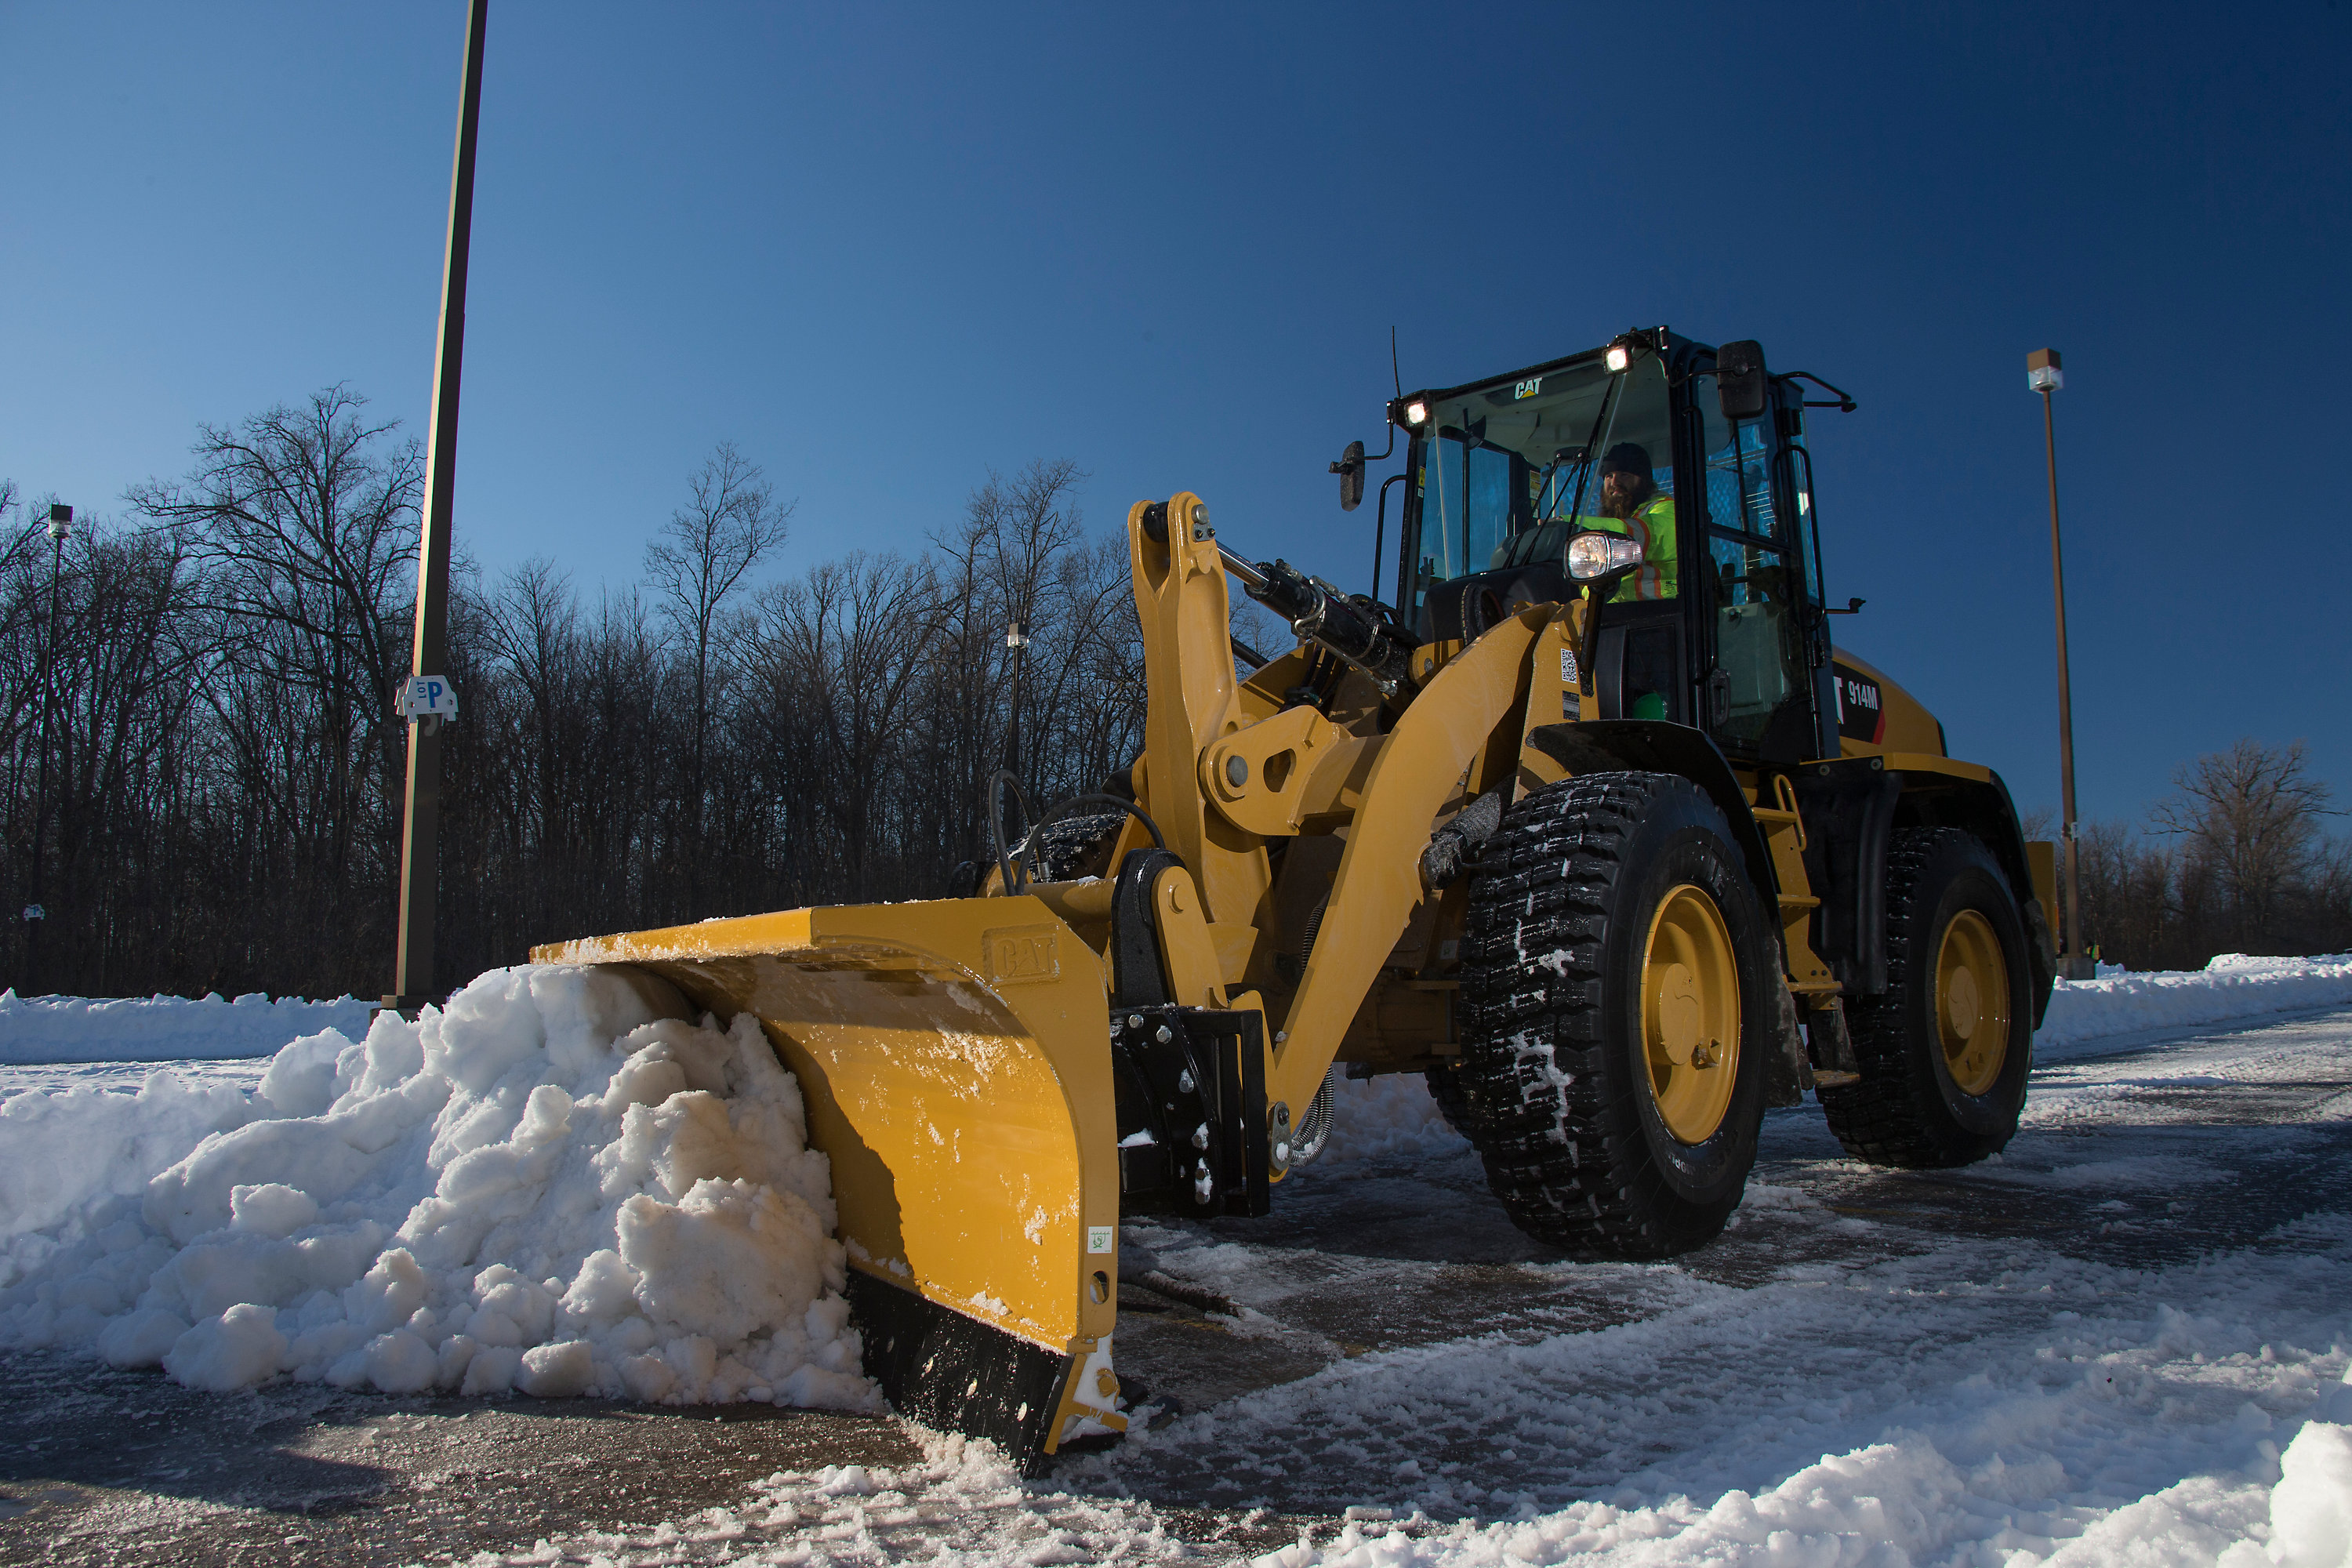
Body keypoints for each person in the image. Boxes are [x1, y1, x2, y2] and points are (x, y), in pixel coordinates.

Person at [1589, 442, 1677, 601]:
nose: (1614, 483)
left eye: (1624, 475)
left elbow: (1644, 537)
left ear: (1643, 480)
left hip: (1661, 613)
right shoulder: (1613, 521)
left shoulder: (1668, 510)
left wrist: (1574, 527)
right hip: (1608, 618)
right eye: (1609, 476)